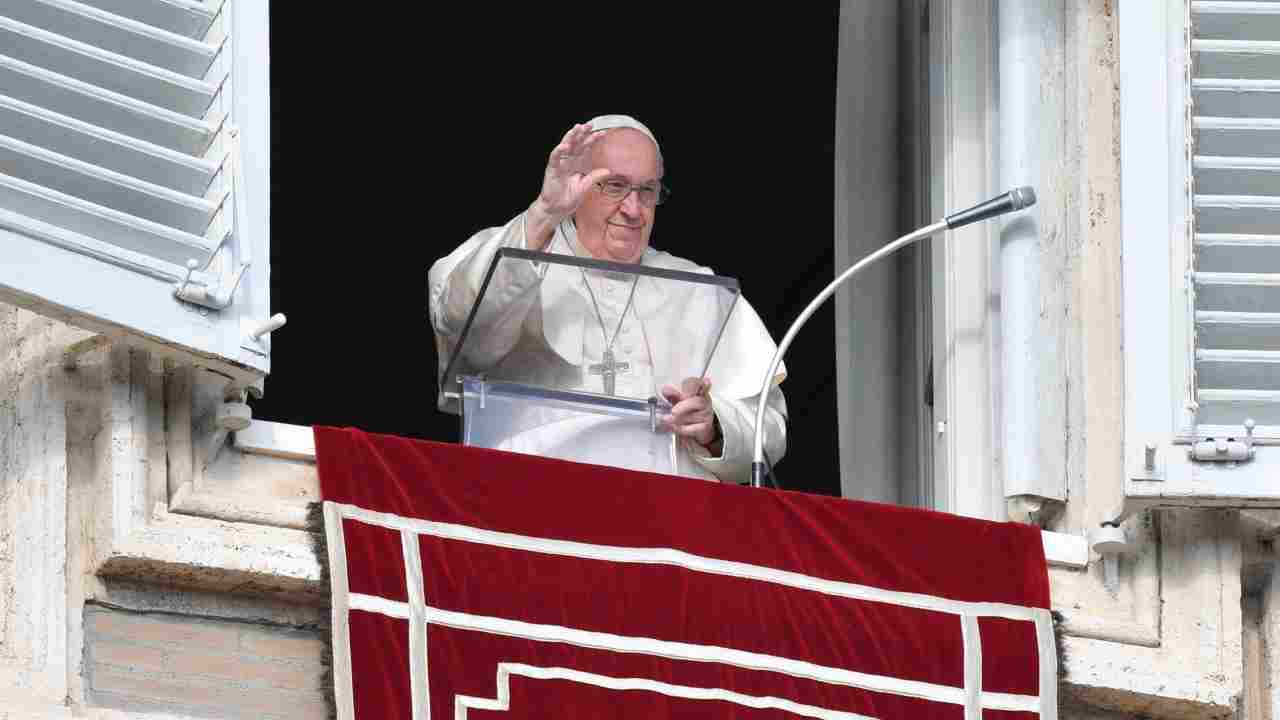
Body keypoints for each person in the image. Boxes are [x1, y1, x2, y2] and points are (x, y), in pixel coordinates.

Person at [428, 115, 786, 484]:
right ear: (576, 186)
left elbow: (768, 425)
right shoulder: (519, 248)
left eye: (647, 190)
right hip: (535, 498)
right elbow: (462, 322)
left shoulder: (701, 290)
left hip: (669, 519)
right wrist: (545, 214)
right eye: (614, 186)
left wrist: (715, 427)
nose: (634, 210)